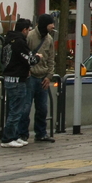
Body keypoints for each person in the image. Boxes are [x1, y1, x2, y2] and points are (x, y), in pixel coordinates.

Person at [0, 18, 35, 148]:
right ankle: (8, 138)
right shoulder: (19, 42)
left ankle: (13, 136)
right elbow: (30, 59)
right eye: (28, 30)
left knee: (14, 109)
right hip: (17, 79)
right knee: (16, 110)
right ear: (24, 29)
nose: (28, 32)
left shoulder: (8, 40)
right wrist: (37, 57)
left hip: (9, 78)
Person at [24, 14, 57, 143]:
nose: (53, 26)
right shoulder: (30, 37)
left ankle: (41, 133)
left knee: (42, 108)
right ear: (45, 24)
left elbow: (51, 59)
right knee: (26, 107)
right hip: (31, 76)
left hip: (43, 77)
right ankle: (23, 133)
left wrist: (49, 76)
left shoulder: (49, 39)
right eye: (51, 24)